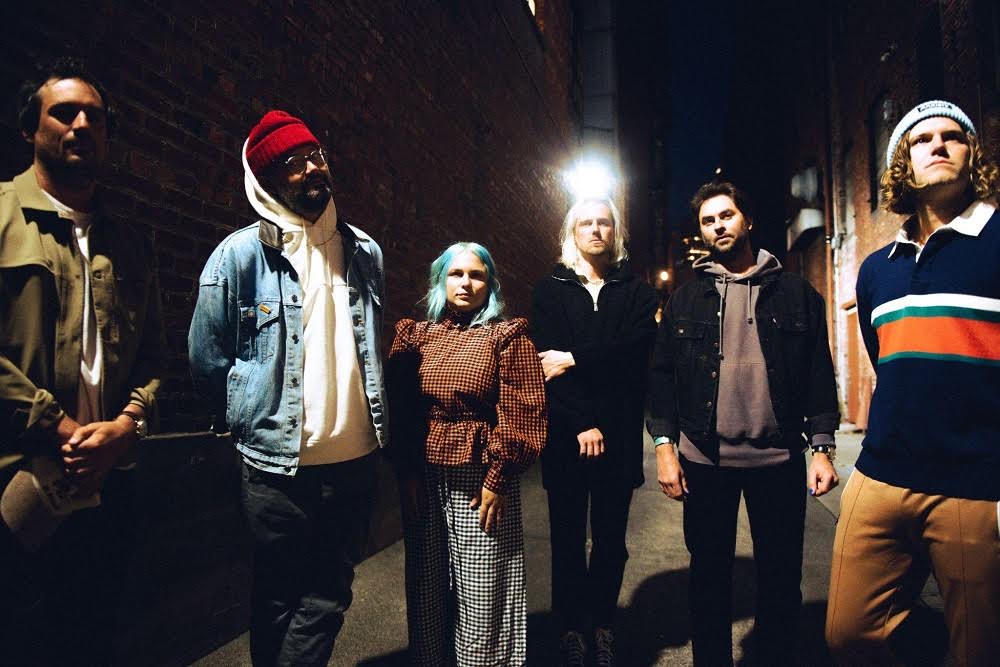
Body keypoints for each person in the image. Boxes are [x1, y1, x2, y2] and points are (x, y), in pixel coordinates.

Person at [188, 110, 386, 666]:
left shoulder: (365, 252)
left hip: (354, 463)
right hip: (276, 468)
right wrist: (241, 422)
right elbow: (208, 357)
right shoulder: (239, 256)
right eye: (291, 164)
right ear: (266, 182)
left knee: (326, 596)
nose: (310, 169)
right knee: (276, 593)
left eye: (315, 155)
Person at [0, 57, 165, 665]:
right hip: (17, 478)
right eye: (63, 112)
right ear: (30, 129)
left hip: (110, 486)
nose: (81, 125)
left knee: (93, 635)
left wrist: (127, 426)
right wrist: (56, 423)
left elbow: (154, 359)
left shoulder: (128, 242)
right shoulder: (1, 216)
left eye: (94, 117)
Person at [825, 100, 1000, 666]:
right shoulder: (878, 269)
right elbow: (890, 365)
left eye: (954, 137)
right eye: (921, 140)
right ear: (903, 162)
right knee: (848, 633)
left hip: (973, 483)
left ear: (973, 156)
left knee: (978, 650)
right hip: (881, 476)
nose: (939, 145)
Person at [648, 181, 840, 665]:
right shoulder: (685, 301)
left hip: (778, 458)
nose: (719, 225)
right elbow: (662, 377)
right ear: (703, 232)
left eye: (727, 215)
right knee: (708, 577)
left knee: (781, 579)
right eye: (708, 220)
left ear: (747, 220)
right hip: (705, 458)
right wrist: (665, 446)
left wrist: (821, 446)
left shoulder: (797, 294)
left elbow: (818, 371)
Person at [387, 242, 546, 666]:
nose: (466, 282)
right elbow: (400, 410)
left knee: (482, 588)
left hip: (479, 475)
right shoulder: (415, 334)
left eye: (476, 275)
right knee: (427, 584)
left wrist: (499, 478)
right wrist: (406, 473)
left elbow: (524, 408)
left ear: (489, 284)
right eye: (456, 274)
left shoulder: (506, 335)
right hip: (424, 471)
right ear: (441, 280)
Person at [530, 197, 657, 666]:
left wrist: (577, 358)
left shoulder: (638, 294)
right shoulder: (550, 290)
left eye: (604, 222)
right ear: (572, 232)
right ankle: (569, 628)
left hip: (619, 437)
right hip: (565, 434)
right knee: (566, 540)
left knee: (610, 542)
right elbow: (545, 365)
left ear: (616, 231)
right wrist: (583, 421)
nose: (596, 229)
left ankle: (602, 624)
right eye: (587, 222)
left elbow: (633, 358)